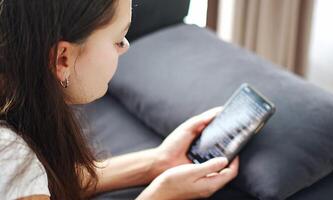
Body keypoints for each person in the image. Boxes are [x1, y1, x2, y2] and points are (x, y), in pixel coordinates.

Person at [0, 0, 239, 199]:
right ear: (62, 59)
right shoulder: (11, 155)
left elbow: (47, 179)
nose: (124, 48)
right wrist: (160, 194)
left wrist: (156, 161)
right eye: (118, 39)